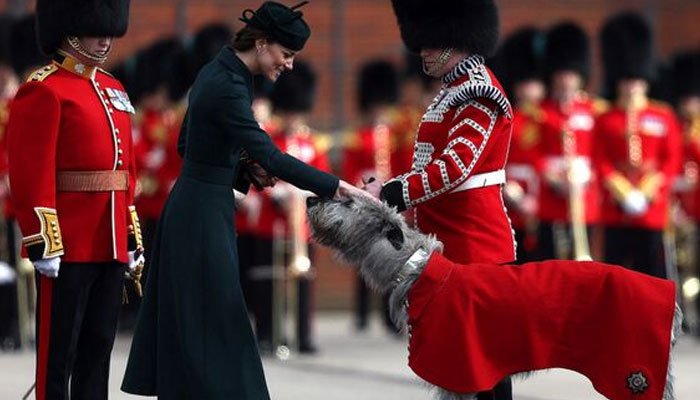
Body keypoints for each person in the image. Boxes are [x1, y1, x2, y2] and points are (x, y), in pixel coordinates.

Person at [121, 2, 371, 398]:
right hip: (202, 210)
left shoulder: (220, 72)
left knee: (199, 317)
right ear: (263, 42)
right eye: (285, 54)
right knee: (220, 316)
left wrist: (240, 170)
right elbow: (269, 154)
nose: (288, 65)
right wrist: (338, 187)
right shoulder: (228, 84)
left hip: (200, 204)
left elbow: (190, 144)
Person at [368, 0, 515, 398]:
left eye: (432, 42)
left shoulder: (479, 92)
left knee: (486, 361)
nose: (423, 50)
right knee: (461, 359)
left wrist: (392, 192)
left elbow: (454, 167)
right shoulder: (453, 91)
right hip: (449, 240)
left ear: (457, 39)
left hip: (474, 244)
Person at [7, 0, 143, 398]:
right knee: (58, 352)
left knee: (99, 346)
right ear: (69, 32)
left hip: (111, 238)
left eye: (109, 31)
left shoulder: (113, 88)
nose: (106, 40)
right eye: (96, 31)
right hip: (68, 241)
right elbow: (32, 173)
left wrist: (130, 236)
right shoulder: (43, 89)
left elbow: (126, 173)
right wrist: (43, 240)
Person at [595, 12, 682, 279]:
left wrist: (646, 191)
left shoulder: (662, 115)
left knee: (653, 275)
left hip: (651, 209)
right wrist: (622, 190)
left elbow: (672, 158)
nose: (632, 86)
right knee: (615, 274)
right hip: (615, 209)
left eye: (636, 80)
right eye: (627, 80)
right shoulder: (606, 117)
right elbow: (600, 158)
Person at [535, 23, 605, 261]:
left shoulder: (594, 110)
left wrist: (587, 176)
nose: (566, 80)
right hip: (551, 196)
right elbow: (534, 153)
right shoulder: (540, 112)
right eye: (561, 74)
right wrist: (553, 177)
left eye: (571, 75)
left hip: (584, 195)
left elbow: (600, 151)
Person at [342, 60, 400, 333]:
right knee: (364, 256)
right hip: (365, 198)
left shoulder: (396, 135)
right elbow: (351, 167)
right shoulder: (359, 135)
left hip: (390, 198)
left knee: (393, 255)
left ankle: (389, 314)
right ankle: (362, 313)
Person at [491, 27, 546, 263]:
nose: (529, 89)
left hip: (546, 203)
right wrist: (508, 190)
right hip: (511, 200)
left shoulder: (551, 119)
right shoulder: (507, 118)